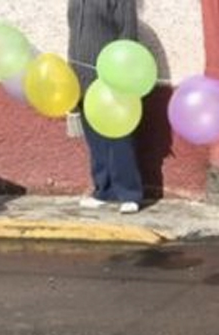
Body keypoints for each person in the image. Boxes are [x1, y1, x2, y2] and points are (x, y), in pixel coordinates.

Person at [68, 0, 143, 214]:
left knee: (119, 137)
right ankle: (104, 190)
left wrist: (121, 74)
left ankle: (129, 193)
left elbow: (128, 35)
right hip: (82, 78)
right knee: (96, 140)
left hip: (110, 79)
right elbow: (73, 36)